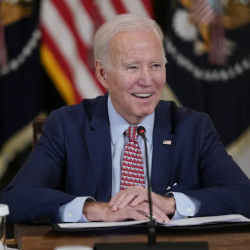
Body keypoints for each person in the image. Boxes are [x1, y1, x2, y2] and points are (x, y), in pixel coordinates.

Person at [1, 14, 250, 224]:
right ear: (102, 73)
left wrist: (171, 204)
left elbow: (243, 195)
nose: (147, 79)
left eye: (155, 66)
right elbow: (15, 199)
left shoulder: (192, 127)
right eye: (132, 67)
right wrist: (95, 210)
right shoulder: (68, 125)